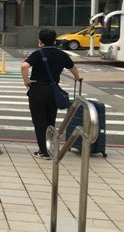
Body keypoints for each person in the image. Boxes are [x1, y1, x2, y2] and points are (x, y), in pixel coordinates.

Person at [21, 28, 83, 160]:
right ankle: (50, 147)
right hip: (53, 90)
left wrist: (26, 80)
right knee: (50, 120)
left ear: (40, 41)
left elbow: (24, 66)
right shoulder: (61, 54)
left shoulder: (38, 53)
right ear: (54, 40)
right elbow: (72, 67)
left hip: (38, 89)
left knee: (39, 121)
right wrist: (77, 77)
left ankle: (43, 151)